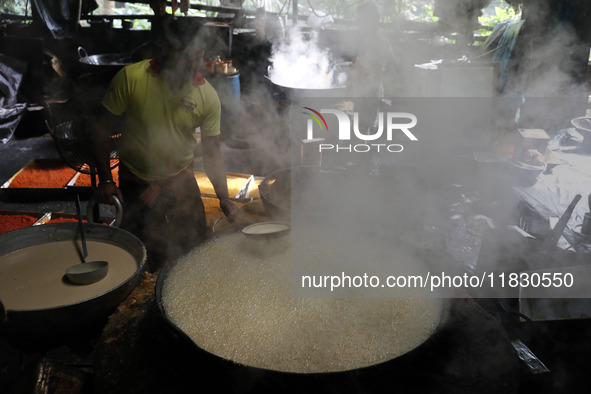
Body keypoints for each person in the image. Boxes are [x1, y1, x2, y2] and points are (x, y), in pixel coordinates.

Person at [94, 19, 238, 272]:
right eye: (185, 54)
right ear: (163, 48)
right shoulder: (131, 78)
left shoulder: (207, 96)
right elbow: (100, 129)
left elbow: (213, 151)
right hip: (136, 181)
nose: (192, 64)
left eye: (197, 55)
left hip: (181, 179)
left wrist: (224, 198)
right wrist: (106, 180)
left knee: (195, 252)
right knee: (142, 258)